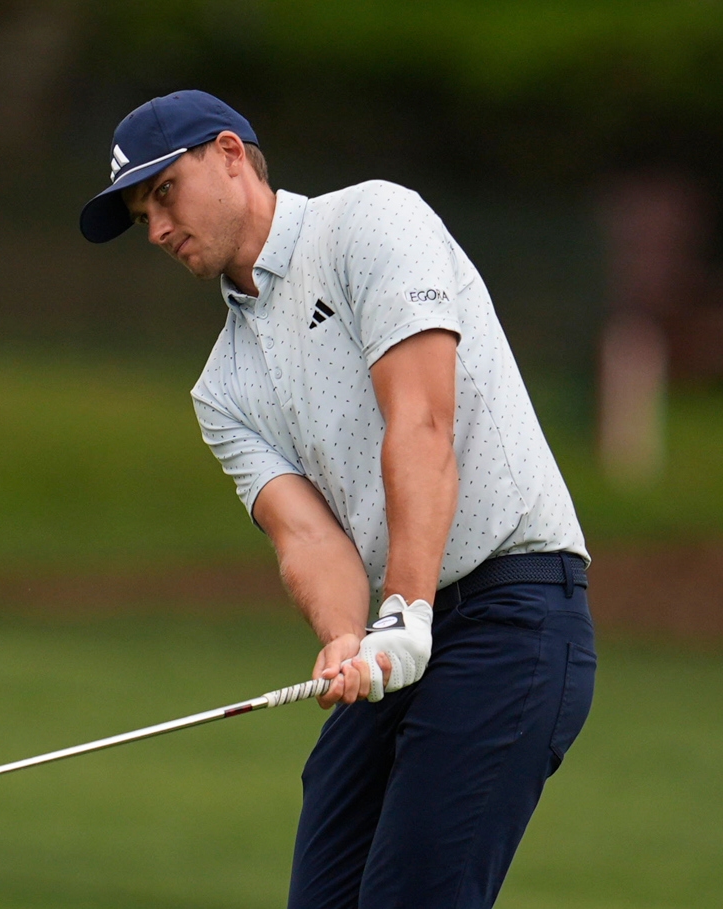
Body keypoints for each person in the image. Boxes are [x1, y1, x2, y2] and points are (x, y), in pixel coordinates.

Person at [78, 89, 597, 909]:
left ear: (230, 154)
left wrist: (406, 609)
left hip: (514, 613)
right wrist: (346, 636)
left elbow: (422, 421)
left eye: (165, 193)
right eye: (144, 216)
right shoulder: (223, 387)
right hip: (398, 636)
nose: (159, 229)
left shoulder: (372, 224)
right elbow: (309, 540)